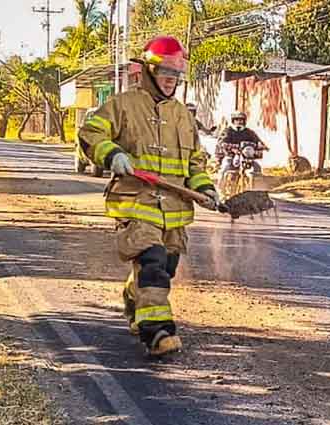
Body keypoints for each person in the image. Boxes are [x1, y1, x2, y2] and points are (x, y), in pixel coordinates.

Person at [78, 35, 219, 357]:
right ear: (148, 71)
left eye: (177, 76)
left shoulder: (183, 115)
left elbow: (195, 161)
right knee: (153, 263)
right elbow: (90, 134)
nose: (171, 81)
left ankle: (134, 294)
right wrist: (111, 154)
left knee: (162, 268)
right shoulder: (123, 104)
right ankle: (157, 332)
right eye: (166, 74)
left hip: (174, 209)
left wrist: (204, 187)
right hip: (136, 201)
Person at [216, 111, 267, 177]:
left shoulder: (249, 132)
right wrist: (227, 145)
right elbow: (221, 141)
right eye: (236, 120)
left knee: (257, 167)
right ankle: (220, 185)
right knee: (225, 167)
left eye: (241, 120)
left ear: (244, 121)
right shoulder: (228, 131)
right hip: (231, 155)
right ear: (233, 121)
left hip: (246, 156)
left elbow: (257, 140)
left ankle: (259, 185)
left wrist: (262, 145)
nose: (239, 122)